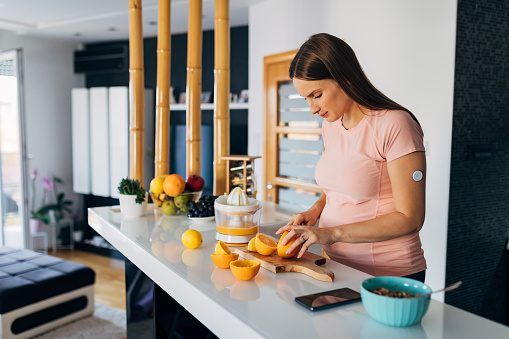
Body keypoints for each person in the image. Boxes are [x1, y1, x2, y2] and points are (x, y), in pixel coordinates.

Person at [276, 33, 427, 282]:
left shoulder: (395, 124)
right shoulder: (332, 124)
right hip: (336, 267)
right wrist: (316, 210)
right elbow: (340, 187)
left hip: (385, 275)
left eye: (316, 95)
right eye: (306, 99)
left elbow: (410, 218)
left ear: (344, 77)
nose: (312, 109)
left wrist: (331, 233)